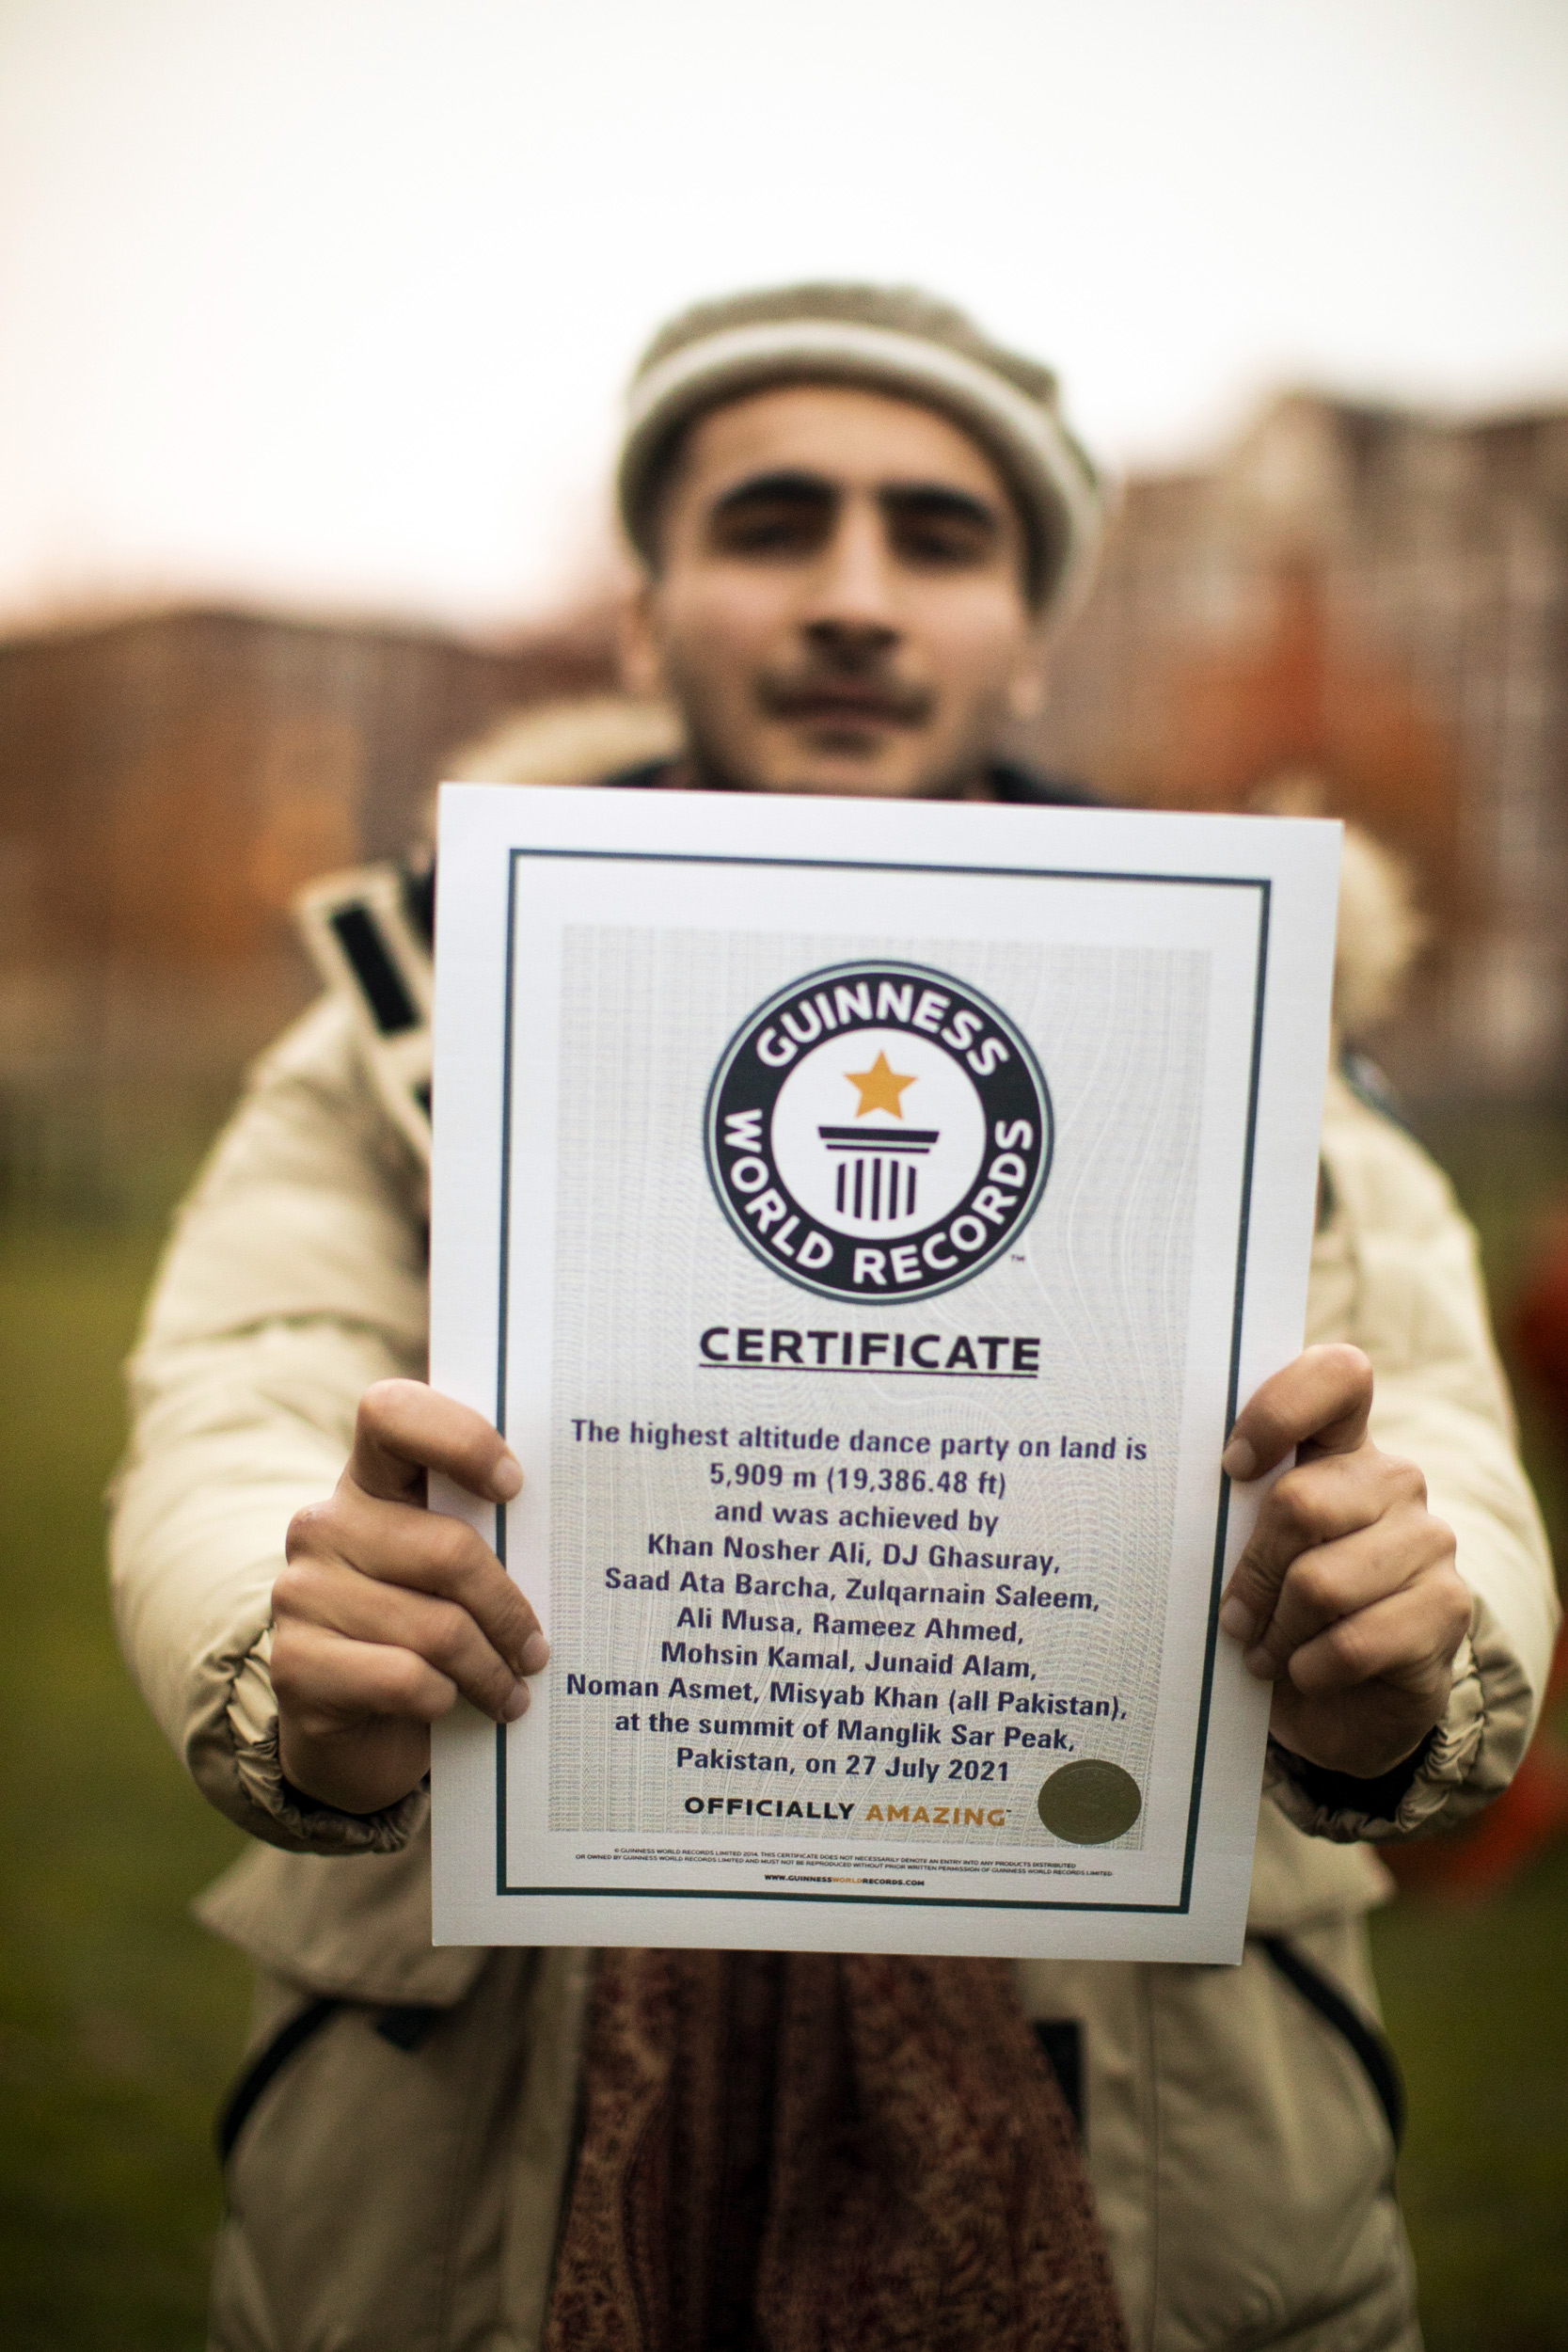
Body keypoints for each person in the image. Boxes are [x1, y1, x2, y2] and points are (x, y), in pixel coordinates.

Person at [110, 284, 1556, 2352]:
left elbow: (1439, 1448)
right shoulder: (403, 1026)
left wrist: (1404, 1652)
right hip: (483, 2138)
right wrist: (297, 1640)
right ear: (646, 612)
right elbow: (236, 1402)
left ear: (1031, 630)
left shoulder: (1246, 1033)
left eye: (939, 537)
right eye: (773, 523)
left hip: (1154, 2124)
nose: (855, 598)